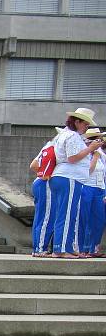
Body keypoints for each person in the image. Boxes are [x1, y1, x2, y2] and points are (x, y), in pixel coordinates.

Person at [49, 108, 102, 258]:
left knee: (64, 213)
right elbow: (72, 158)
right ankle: (61, 249)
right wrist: (90, 148)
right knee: (66, 214)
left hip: (62, 177)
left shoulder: (65, 135)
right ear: (77, 121)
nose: (87, 127)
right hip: (69, 177)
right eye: (86, 124)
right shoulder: (72, 136)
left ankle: (63, 247)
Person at [28, 130, 60, 257]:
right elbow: (34, 166)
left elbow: (34, 165)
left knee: (40, 218)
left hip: (39, 181)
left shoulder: (47, 146)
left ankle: (37, 247)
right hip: (46, 182)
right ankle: (41, 248)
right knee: (47, 217)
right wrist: (48, 174)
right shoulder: (55, 149)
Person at [80, 128, 105, 258]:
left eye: (100, 139)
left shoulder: (101, 154)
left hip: (100, 188)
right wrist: (94, 158)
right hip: (86, 187)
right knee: (85, 218)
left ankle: (94, 247)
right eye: (97, 139)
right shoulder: (84, 153)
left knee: (100, 219)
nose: (100, 142)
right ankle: (82, 248)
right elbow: (87, 172)